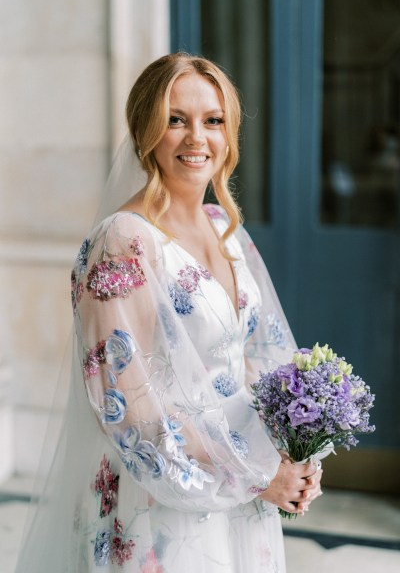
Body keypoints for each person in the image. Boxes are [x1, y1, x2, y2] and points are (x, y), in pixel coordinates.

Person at [16, 53, 322, 573]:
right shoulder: (124, 241)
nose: (196, 137)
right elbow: (127, 406)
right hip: (164, 502)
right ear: (145, 131)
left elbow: (263, 356)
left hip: (243, 489)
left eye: (213, 120)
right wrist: (250, 473)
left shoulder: (225, 227)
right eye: (175, 120)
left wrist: (299, 450)